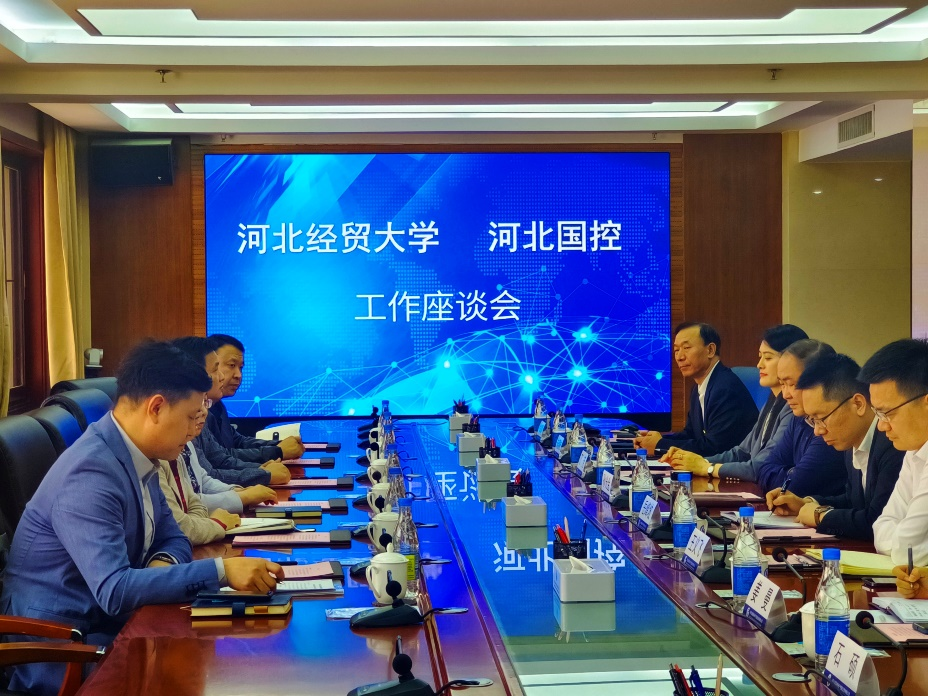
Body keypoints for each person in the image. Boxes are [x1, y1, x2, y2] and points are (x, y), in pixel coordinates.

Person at [0, 341, 283, 696]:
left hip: (112, 626)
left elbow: (173, 537)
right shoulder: (91, 473)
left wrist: (162, 564)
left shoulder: (139, 454)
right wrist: (222, 571)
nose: (195, 431)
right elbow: (115, 591)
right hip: (65, 649)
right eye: (190, 417)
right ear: (157, 407)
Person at [765, 352, 903, 539]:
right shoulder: (851, 441)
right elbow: (853, 500)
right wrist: (806, 503)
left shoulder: (893, 443)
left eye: (821, 418)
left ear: (858, 404)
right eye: (812, 420)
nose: (817, 431)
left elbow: (877, 520)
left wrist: (820, 516)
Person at [663, 324, 808, 480]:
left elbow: (760, 466)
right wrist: (697, 462)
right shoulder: (772, 400)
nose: (759, 364)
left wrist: (707, 468)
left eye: (768, 358)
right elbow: (742, 452)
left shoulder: (793, 408)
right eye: (760, 356)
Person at [171, 337, 291, 488]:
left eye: (241, 368)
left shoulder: (213, 407)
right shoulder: (188, 420)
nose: (237, 375)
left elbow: (219, 460)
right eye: (217, 369)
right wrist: (266, 469)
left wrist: (267, 463)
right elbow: (209, 475)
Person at [635, 322, 758, 457]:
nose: (679, 357)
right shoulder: (699, 387)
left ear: (710, 350)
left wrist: (660, 445)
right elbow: (691, 434)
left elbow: (714, 447)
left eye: (686, 348)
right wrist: (654, 440)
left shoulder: (725, 389)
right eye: (676, 350)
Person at [863, 339, 928, 566]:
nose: (881, 426)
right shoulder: (915, 451)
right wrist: (900, 541)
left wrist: (900, 541)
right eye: (878, 414)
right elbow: (881, 526)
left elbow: (908, 552)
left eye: (888, 413)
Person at [759, 339, 846, 502]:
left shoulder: (830, 428)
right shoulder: (798, 418)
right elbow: (764, 469)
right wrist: (792, 472)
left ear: (818, 382)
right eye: (782, 384)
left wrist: (790, 474)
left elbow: (794, 488)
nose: (785, 395)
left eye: (792, 384)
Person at [207, 334, 303, 461]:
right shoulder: (200, 413)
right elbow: (220, 459)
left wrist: (279, 445)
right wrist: (277, 452)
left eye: (241, 368)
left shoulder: (218, 406)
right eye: (231, 365)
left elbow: (238, 441)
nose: (238, 375)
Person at [158, 404, 243, 545]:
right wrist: (216, 524)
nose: (192, 432)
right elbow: (181, 529)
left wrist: (197, 526)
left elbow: (196, 504)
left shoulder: (176, 451)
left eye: (205, 402)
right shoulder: (159, 458)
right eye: (191, 416)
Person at [182, 404, 277, 515]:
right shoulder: (170, 452)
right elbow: (187, 504)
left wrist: (237, 491)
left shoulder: (186, 441)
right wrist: (243, 497)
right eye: (198, 404)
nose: (204, 412)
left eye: (205, 402)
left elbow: (204, 481)